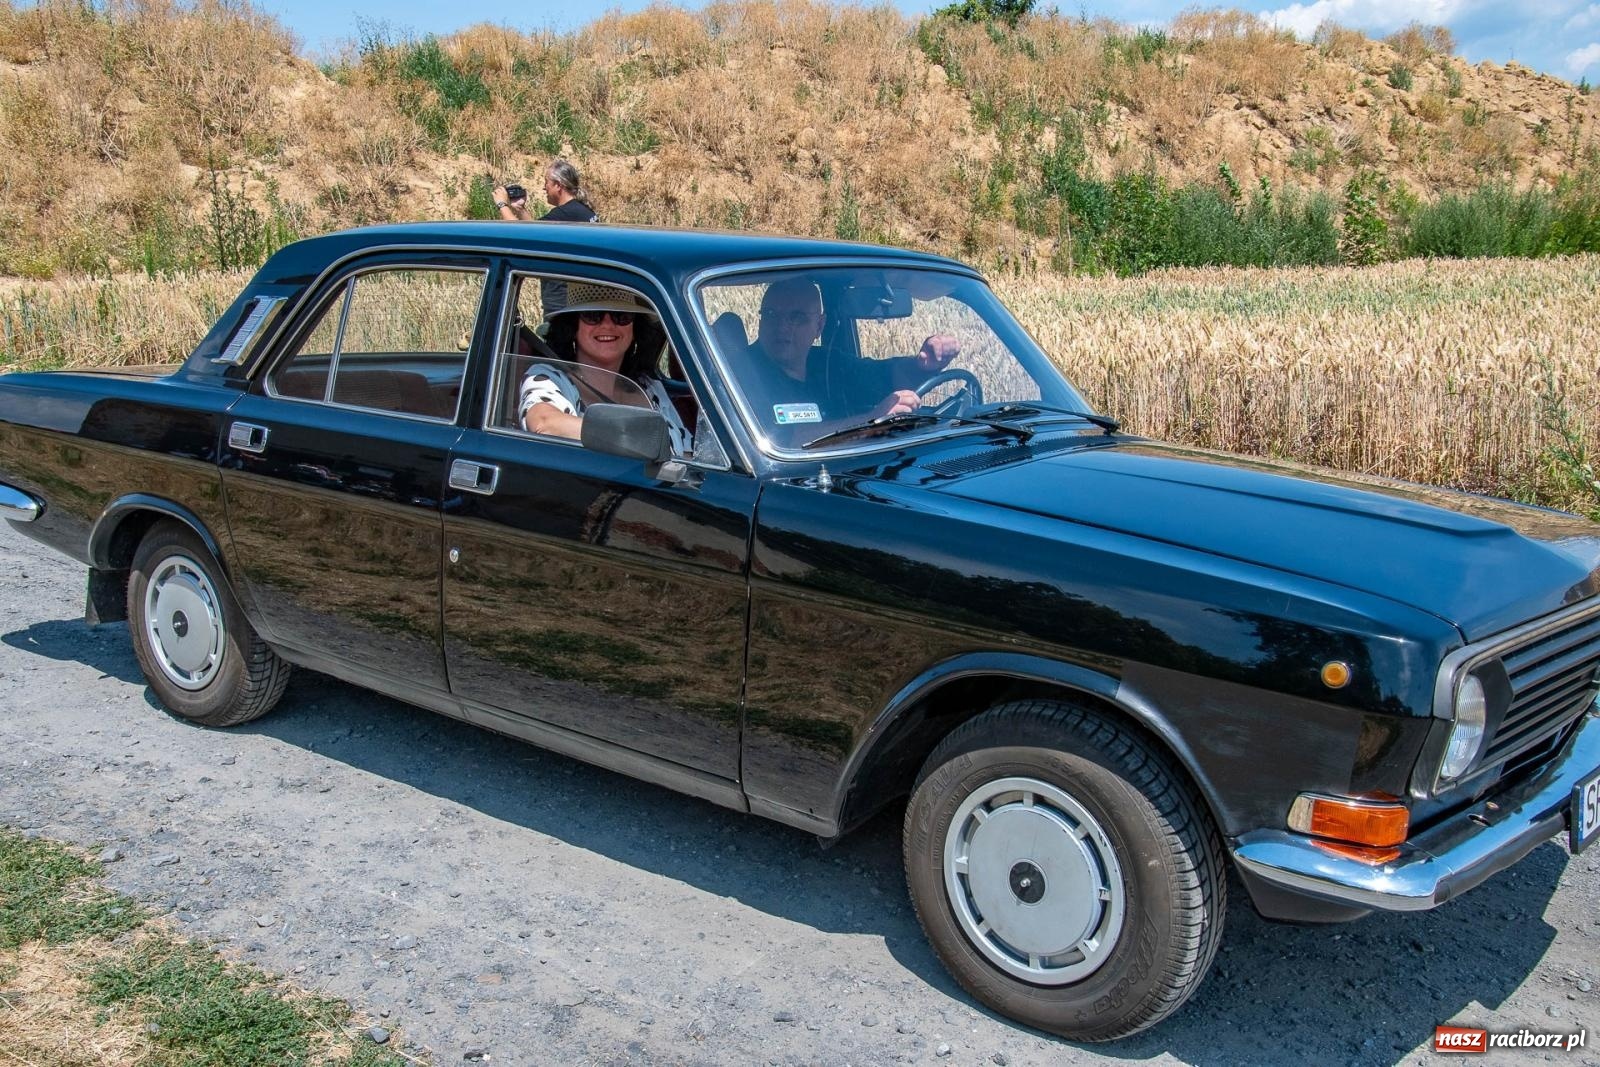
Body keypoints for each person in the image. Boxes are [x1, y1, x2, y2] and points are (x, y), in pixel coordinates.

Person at [741, 277, 961, 442]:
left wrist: (924, 364)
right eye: (771, 315)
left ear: (819, 326)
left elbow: (887, 376)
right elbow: (780, 440)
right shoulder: (741, 373)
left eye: (797, 318)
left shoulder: (828, 363)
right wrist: (870, 422)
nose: (782, 327)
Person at [518, 282, 692, 455]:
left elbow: (687, 455)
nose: (607, 325)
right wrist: (631, 438)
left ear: (634, 327)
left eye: (620, 316)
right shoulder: (549, 378)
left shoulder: (649, 387)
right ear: (572, 325)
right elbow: (544, 424)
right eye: (593, 315)